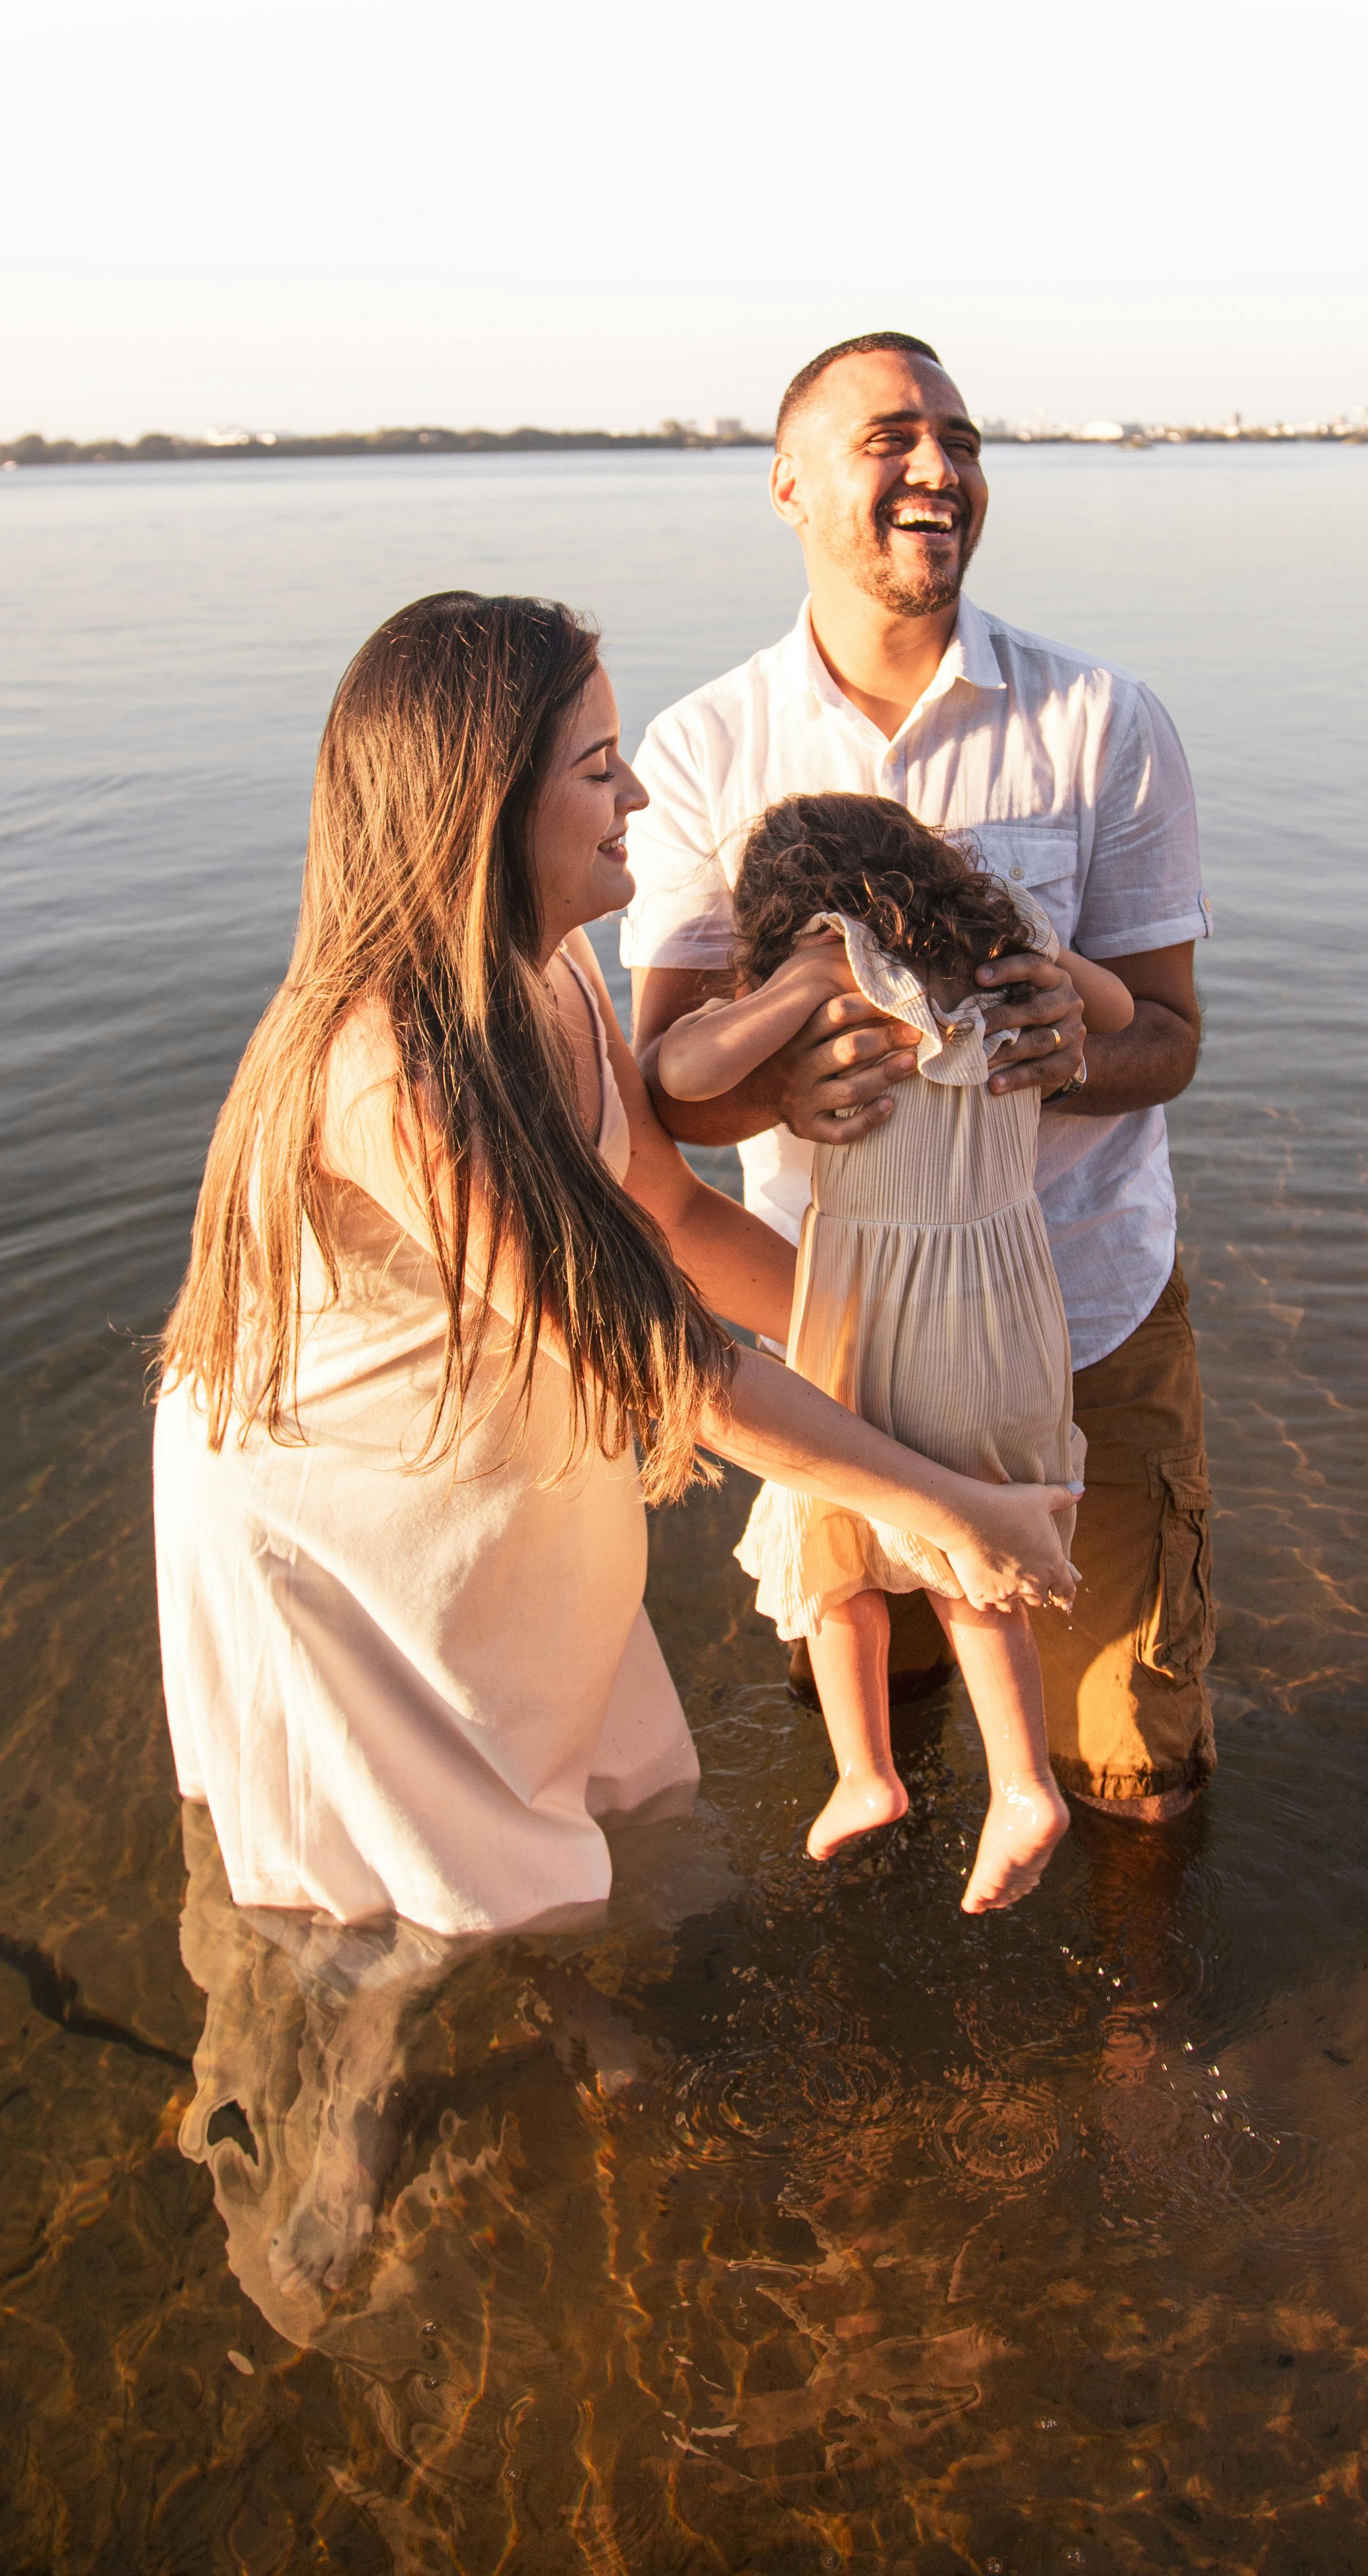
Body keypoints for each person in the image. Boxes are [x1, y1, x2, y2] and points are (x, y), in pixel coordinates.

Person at [153, 588, 1076, 1937]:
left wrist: (902, 1375)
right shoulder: (383, 1063)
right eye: (597, 768)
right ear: (487, 803)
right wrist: (944, 1507)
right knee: (411, 1930)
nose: (638, 792)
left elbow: (678, 1226)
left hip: (517, 1477)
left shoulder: (559, 972)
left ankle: (587, 2079)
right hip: (362, 1543)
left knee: (607, 1832)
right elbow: (645, 1343)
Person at [625, 334, 1215, 1826]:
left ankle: (1146, 2048)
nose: (940, 469)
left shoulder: (1102, 723)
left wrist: (1077, 1054)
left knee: (1136, 1757)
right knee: (872, 1685)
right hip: (847, 1346)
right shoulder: (706, 748)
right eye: (892, 438)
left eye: (959, 438)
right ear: (789, 485)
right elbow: (672, 1096)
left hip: (1086, 1314)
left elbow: (1173, 1038)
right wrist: (783, 1089)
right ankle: (892, 2021)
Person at [647, 791, 1138, 1911]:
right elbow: (1109, 1005)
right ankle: (1019, 1785)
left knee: (834, 1539)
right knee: (970, 1553)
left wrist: (801, 983)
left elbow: (681, 1075)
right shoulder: (1010, 924)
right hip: (1007, 1303)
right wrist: (1061, 980)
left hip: (869, 1305)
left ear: (786, 907)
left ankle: (867, 1774)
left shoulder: (831, 957)